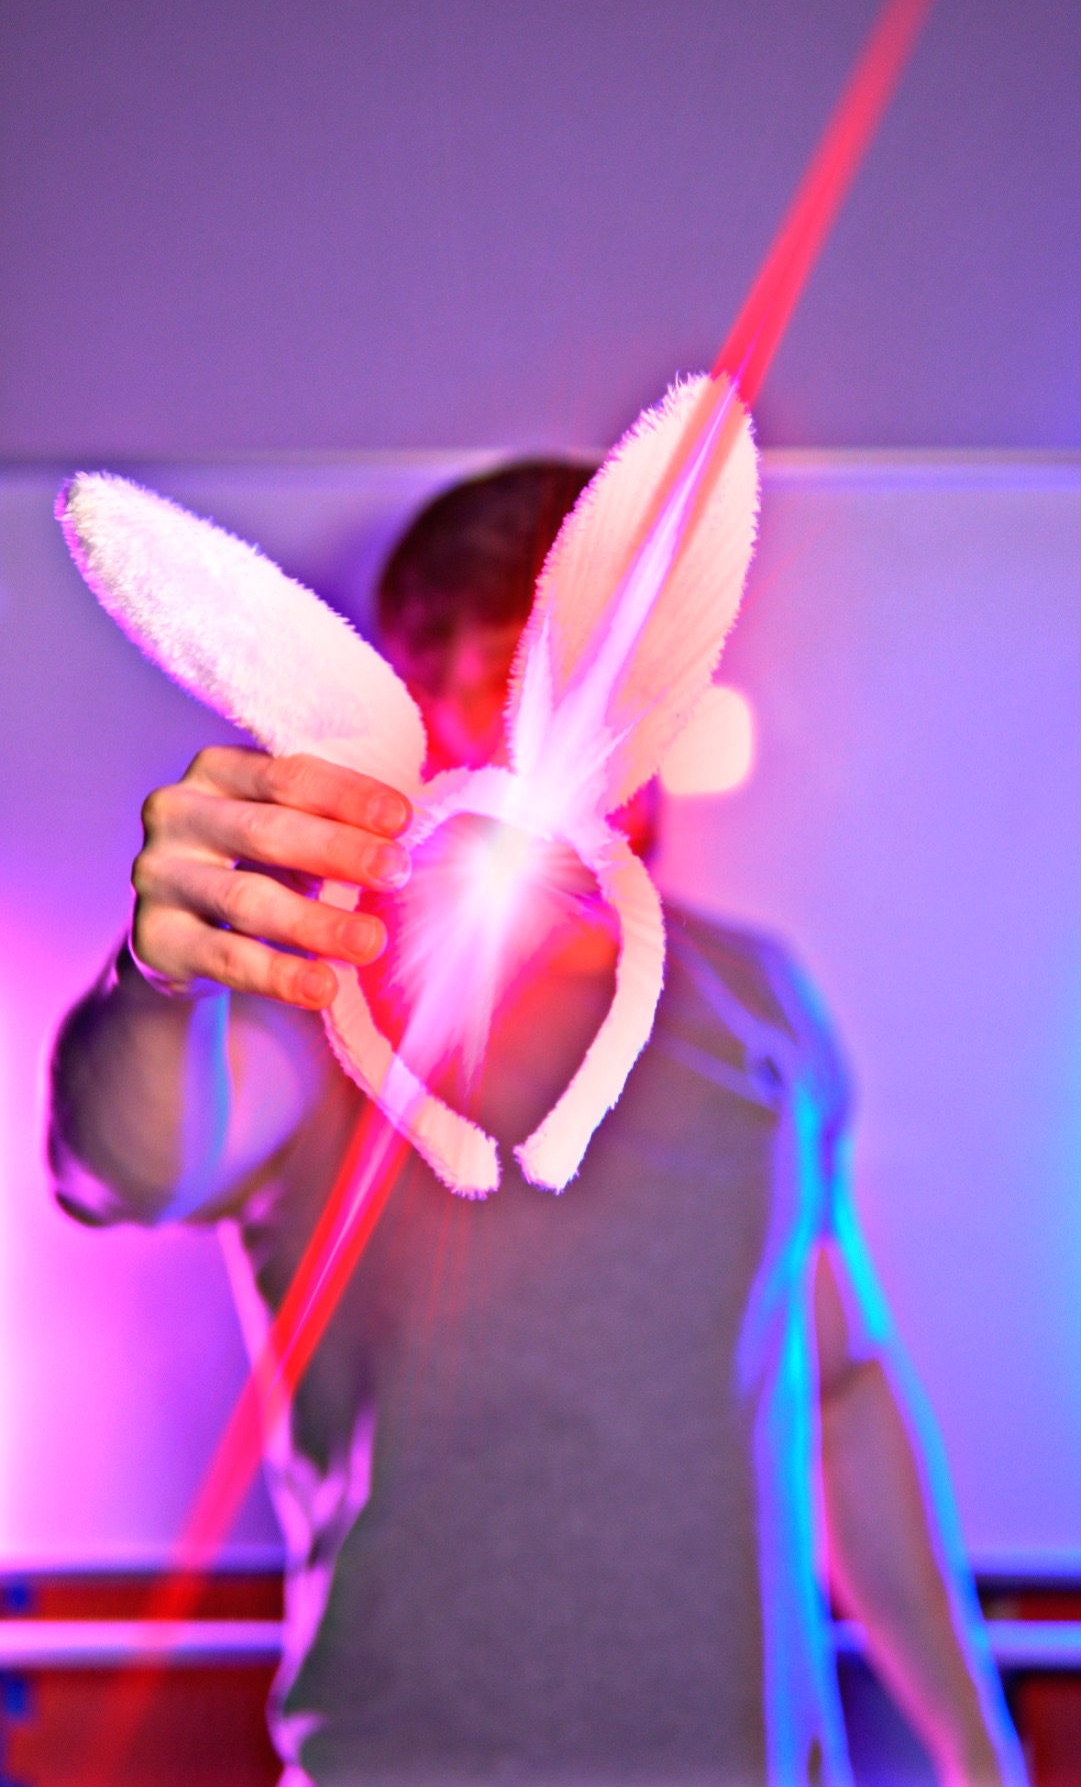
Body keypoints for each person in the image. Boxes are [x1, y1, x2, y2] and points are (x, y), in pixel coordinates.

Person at [49, 461, 1024, 1787]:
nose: (575, 744)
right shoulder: (319, 995)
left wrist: (977, 1749)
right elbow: (122, 1163)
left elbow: (841, 1380)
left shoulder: (760, 1002)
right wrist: (159, 978)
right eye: (503, 688)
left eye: (611, 682)